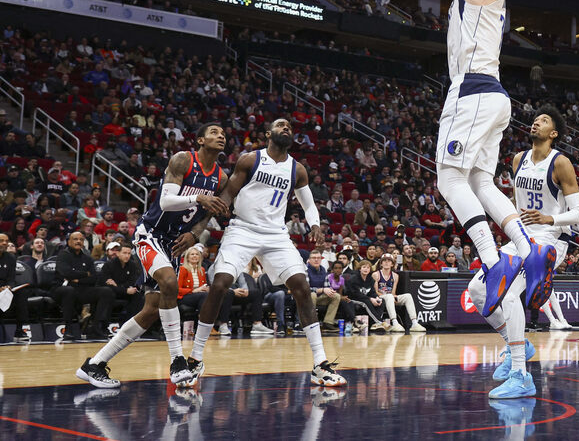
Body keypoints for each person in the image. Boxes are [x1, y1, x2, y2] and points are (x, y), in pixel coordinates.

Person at [415, 0, 555, 318]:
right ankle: (528, 249)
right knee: (479, 180)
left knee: (449, 178)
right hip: (492, 96)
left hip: (472, 91)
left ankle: (494, 262)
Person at [188, 118, 345, 387]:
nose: (286, 129)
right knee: (221, 284)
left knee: (302, 286)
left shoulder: (298, 170)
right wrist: (210, 217)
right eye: (280, 125)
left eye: (289, 128)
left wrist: (316, 225)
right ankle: (195, 359)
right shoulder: (251, 160)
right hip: (243, 229)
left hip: (275, 234)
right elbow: (229, 193)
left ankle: (320, 364)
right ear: (268, 133)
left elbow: (308, 205)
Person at [76, 123, 229, 389]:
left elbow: (208, 215)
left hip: (176, 243)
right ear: (201, 139)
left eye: (223, 133)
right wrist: (199, 199)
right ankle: (177, 362)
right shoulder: (183, 160)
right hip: (151, 234)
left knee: (151, 311)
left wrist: (195, 234)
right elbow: (166, 201)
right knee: (170, 283)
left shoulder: (221, 177)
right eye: (214, 132)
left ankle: (94, 364)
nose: (221, 135)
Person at [468, 106, 579, 398]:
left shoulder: (561, 164)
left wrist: (549, 218)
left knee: (507, 294)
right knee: (477, 290)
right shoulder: (518, 159)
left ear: (553, 133)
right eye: (535, 120)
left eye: (544, 120)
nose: (536, 123)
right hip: (521, 235)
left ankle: (521, 375)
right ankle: (517, 343)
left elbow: (578, 214)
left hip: (549, 241)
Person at [53, 231, 115, 340]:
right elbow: (65, 273)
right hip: (61, 289)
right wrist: (85, 274)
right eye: (75, 239)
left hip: (82, 289)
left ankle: (96, 327)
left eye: (81, 239)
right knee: (69, 290)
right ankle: (68, 329)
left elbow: (94, 278)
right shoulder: (63, 255)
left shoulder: (87, 258)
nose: (78, 241)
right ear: (69, 241)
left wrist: (77, 279)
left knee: (106, 291)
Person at [373, 253, 426, 333]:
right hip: (380, 298)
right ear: (381, 263)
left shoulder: (395, 276)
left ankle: (414, 323)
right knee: (389, 296)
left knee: (408, 296)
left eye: (389, 261)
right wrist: (389, 296)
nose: (386, 262)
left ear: (392, 264)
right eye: (384, 261)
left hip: (390, 297)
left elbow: (393, 292)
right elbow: (375, 292)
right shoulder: (376, 274)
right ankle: (394, 322)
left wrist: (394, 297)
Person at [99, 242, 144, 322]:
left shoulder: (132, 265)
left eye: (129, 253)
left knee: (138, 295)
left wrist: (119, 286)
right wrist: (124, 289)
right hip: (112, 292)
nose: (127, 256)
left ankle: (131, 323)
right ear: (118, 253)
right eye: (124, 253)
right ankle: (103, 325)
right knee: (108, 292)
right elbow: (105, 283)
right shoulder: (109, 265)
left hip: (123, 291)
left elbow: (132, 281)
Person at [0, 233, 30, 342]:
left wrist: (9, 286)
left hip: (5, 290)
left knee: (21, 293)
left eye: (6, 241)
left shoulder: (11, 258)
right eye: (1, 241)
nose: (4, 243)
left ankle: (19, 330)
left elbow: (11, 278)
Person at [346, 259, 387, 330]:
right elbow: (356, 294)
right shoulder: (353, 279)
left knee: (381, 300)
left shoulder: (371, 279)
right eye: (364, 267)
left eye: (368, 268)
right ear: (359, 269)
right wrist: (370, 299)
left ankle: (374, 324)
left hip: (365, 298)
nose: (366, 269)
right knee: (366, 302)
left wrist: (376, 298)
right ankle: (379, 322)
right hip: (353, 299)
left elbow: (372, 292)